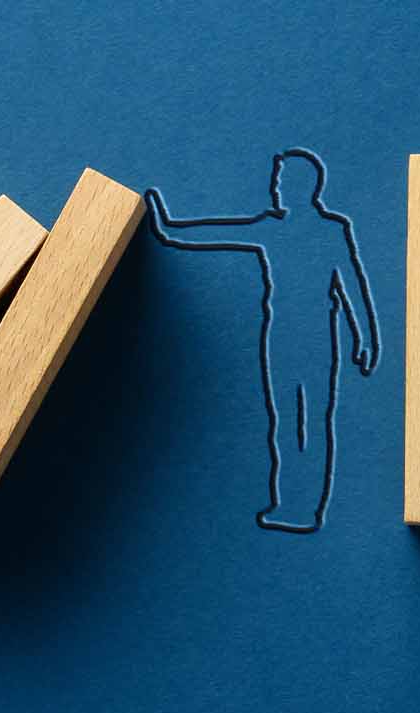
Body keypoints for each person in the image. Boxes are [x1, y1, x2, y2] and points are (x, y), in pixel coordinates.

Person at [143, 148, 381, 533]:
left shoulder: (330, 230)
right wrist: (168, 227)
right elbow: (219, 234)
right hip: (281, 336)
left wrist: (366, 336)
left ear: (306, 187)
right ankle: (289, 504)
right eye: (278, 181)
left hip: (318, 336)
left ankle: (308, 508)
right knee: (286, 423)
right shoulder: (273, 227)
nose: (277, 187)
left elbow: (351, 283)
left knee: (314, 422)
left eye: (283, 181)